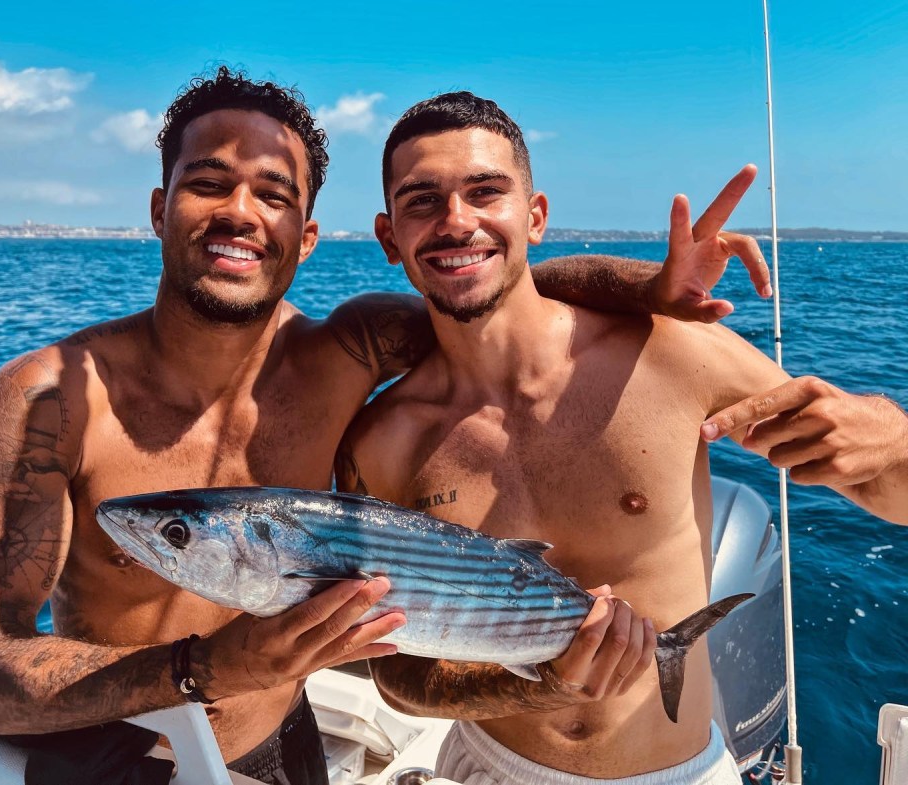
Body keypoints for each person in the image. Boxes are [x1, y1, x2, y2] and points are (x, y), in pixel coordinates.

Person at [0, 68, 771, 785]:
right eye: (208, 182)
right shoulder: (51, 398)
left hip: (284, 744)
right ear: (161, 206)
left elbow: (488, 283)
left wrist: (652, 288)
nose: (240, 212)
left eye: (272, 194)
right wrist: (208, 666)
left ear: (305, 236)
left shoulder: (344, 351)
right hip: (122, 755)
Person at [335, 92, 908, 785]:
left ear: (536, 216)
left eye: (486, 191)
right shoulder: (382, 442)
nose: (457, 221)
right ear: (390, 235)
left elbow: (885, 487)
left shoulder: (671, 355)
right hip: (486, 766)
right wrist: (537, 685)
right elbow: (397, 672)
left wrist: (892, 434)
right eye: (422, 200)